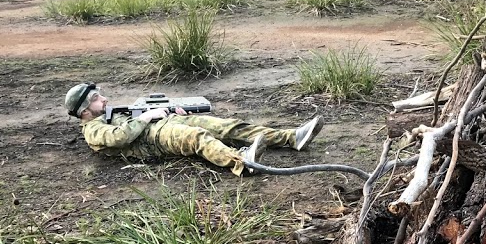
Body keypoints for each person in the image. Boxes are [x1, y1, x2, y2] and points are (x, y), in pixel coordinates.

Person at [64, 82, 323, 176]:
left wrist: (165, 112)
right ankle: (241, 162)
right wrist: (147, 118)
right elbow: (120, 137)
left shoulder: (110, 114)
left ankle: (291, 137)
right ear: (85, 110)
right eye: (97, 98)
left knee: (224, 126)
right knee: (197, 137)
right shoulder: (92, 129)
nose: (104, 99)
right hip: (153, 140)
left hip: (162, 125)